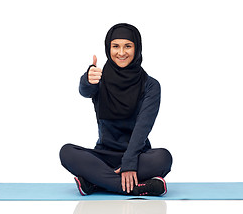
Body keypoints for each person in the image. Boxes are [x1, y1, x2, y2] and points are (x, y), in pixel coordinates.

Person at [59, 23, 172, 196]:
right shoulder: (99, 78)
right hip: (103, 156)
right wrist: (86, 79)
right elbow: (85, 91)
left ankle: (96, 182)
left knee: (163, 158)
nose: (121, 52)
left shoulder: (151, 86)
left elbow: (143, 127)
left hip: (138, 156)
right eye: (115, 46)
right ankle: (133, 188)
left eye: (127, 46)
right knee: (66, 152)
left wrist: (129, 162)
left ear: (137, 48)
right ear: (108, 48)